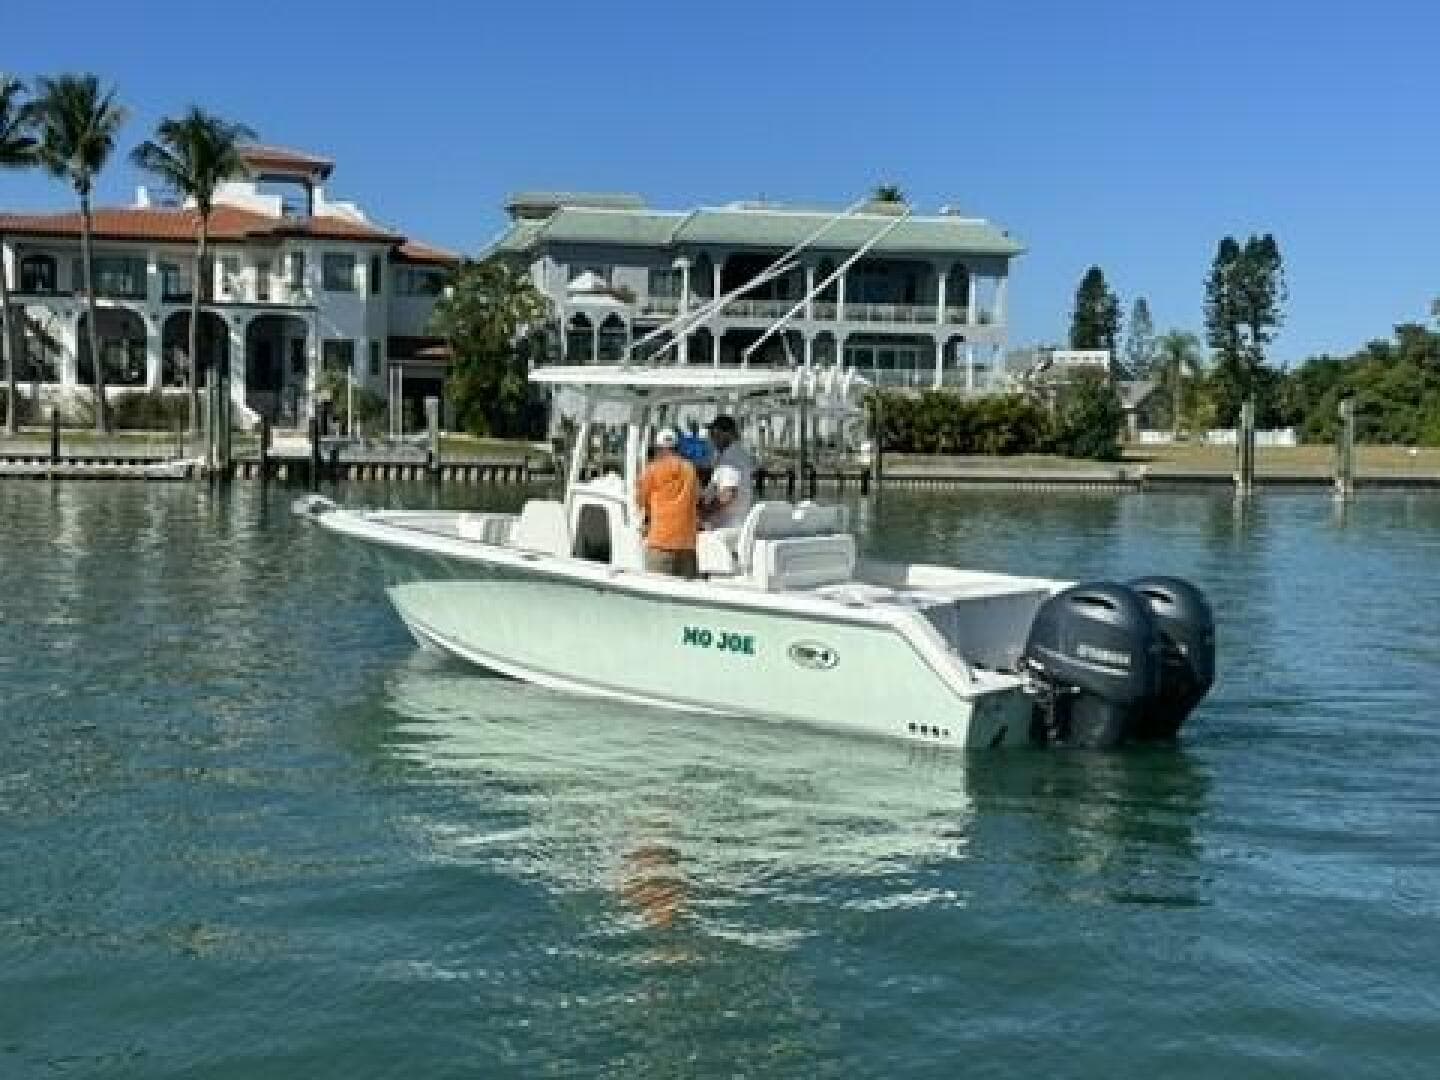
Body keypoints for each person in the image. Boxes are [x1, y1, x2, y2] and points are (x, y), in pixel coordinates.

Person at [635, 427, 699, 578]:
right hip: (687, 545)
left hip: (660, 544)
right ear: (676, 447)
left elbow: (640, 499)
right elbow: (696, 498)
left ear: (658, 448)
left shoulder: (652, 470)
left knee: (655, 594)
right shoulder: (690, 469)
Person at [702, 414, 756, 530]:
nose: (711, 437)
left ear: (728, 434)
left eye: (715, 433)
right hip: (735, 523)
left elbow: (727, 494)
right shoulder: (738, 454)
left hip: (726, 527)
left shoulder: (731, 459)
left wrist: (703, 512)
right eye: (711, 433)